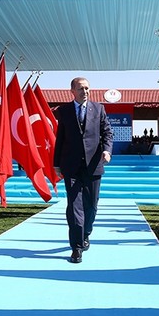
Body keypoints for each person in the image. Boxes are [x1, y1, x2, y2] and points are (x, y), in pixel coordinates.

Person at [54, 77, 113, 263]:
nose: (85, 91)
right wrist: (56, 164)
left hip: (94, 166)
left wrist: (107, 150)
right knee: (74, 207)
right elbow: (60, 139)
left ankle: (86, 233)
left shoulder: (99, 109)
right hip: (71, 167)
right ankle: (76, 247)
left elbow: (107, 132)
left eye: (87, 88)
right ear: (72, 91)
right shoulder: (63, 111)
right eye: (81, 88)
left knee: (91, 206)